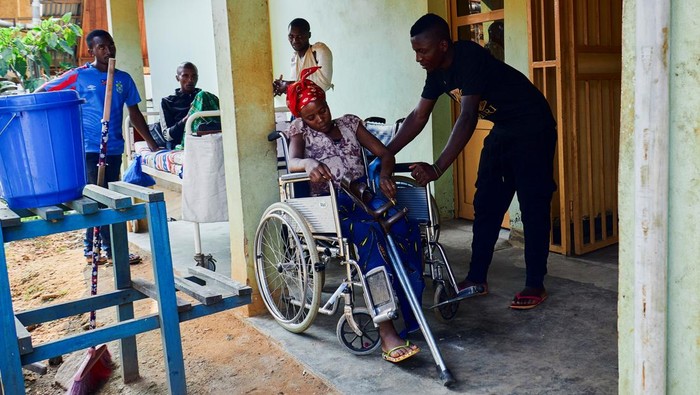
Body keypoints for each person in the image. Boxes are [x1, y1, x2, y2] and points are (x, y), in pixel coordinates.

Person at [387, 14, 557, 310]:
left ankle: (534, 283)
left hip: (533, 126)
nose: (418, 58)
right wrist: (386, 153)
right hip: (504, 129)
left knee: (533, 205)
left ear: (442, 45)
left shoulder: (469, 57)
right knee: (487, 203)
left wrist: (438, 168)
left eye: (422, 51)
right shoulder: (437, 72)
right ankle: (477, 277)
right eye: (415, 51)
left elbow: (467, 117)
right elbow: (418, 116)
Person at [286, 67, 423, 363]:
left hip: (364, 197)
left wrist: (385, 176)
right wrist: (309, 163)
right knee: (369, 236)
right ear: (302, 118)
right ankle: (386, 330)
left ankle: (414, 314)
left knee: (404, 227)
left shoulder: (350, 123)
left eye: (322, 110)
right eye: (311, 116)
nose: (319, 119)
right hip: (331, 207)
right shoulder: (300, 131)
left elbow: (385, 153)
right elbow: (293, 161)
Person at [36, 29, 158, 264]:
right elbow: (43, 92)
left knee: (107, 197)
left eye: (111, 45)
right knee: (99, 200)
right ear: (91, 51)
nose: (108, 50)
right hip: (90, 148)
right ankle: (112, 251)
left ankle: (91, 250)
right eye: (101, 47)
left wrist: (152, 144)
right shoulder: (78, 76)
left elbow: (134, 115)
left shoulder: (123, 79)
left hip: (113, 148)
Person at [158, 62, 221, 149]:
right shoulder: (167, 102)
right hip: (181, 142)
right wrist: (187, 118)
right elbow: (167, 136)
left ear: (197, 78)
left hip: (207, 139)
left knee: (204, 95)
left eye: (194, 76)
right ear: (177, 78)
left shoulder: (205, 99)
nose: (190, 80)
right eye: (185, 76)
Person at [272, 18, 333, 96]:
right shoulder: (294, 58)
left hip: (316, 107)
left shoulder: (320, 51)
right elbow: (297, 88)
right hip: (300, 107)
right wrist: (280, 86)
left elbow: (322, 86)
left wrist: (287, 86)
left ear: (309, 35)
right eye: (291, 36)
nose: (295, 40)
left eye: (299, 36)